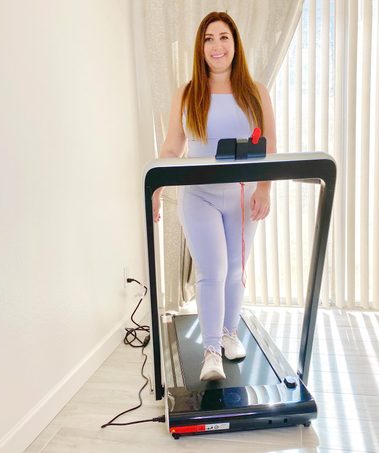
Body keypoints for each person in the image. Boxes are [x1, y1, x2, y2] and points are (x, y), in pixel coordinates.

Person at [152, 11, 276, 381]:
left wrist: (265, 188)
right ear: (200, 47)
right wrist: (156, 185)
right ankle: (210, 351)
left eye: (224, 37)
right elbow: (173, 146)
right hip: (199, 194)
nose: (216, 46)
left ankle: (229, 332)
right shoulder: (188, 93)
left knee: (236, 269)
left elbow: (268, 147)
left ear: (235, 44)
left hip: (242, 194)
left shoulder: (255, 92)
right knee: (212, 269)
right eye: (209, 39)